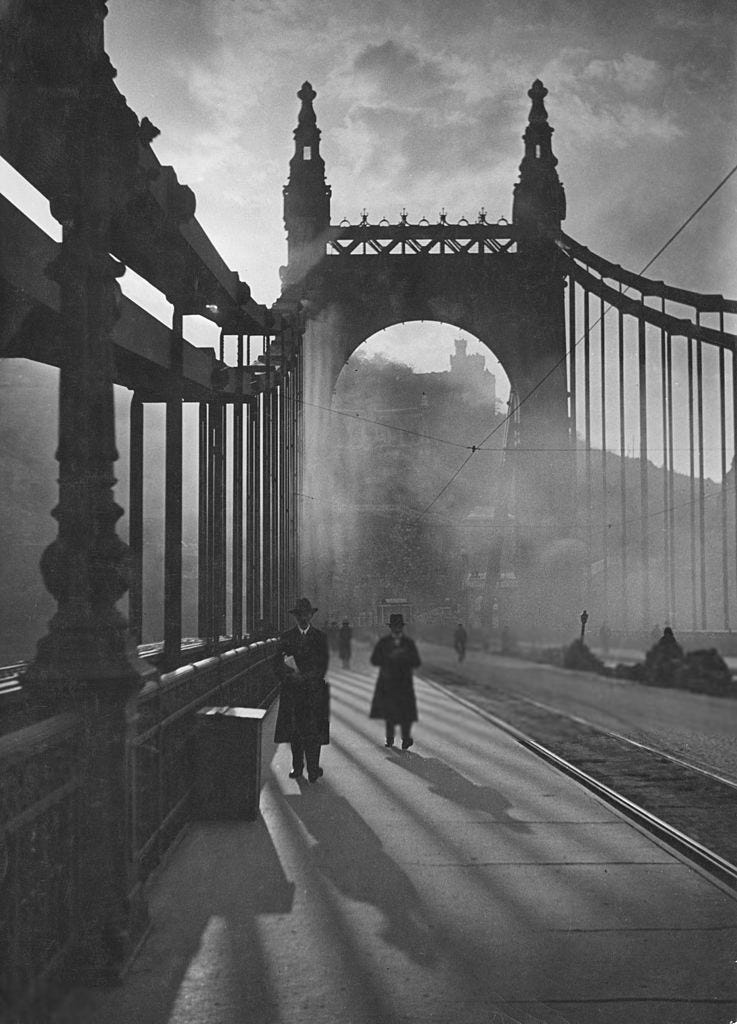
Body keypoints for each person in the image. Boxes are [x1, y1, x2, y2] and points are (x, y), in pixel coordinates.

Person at [273, 597, 330, 783]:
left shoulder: (320, 637)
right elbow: (276, 664)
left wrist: (305, 677)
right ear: (295, 617)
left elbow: (323, 665)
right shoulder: (286, 637)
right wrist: (290, 676)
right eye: (299, 615)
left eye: (306, 614)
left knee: (313, 731)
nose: (303, 618)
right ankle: (298, 767)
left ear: (311, 615)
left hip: (313, 690)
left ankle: (313, 769)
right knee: (295, 731)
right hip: (294, 691)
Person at [369, 613, 421, 750]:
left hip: (404, 683)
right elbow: (374, 660)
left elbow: (416, 662)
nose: (397, 629)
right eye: (394, 626)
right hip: (388, 682)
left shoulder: (409, 644)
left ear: (402, 628)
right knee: (389, 712)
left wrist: (404, 658)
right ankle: (390, 738)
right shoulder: (383, 643)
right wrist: (388, 659)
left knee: (405, 713)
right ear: (391, 628)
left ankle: (405, 739)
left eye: (399, 626)